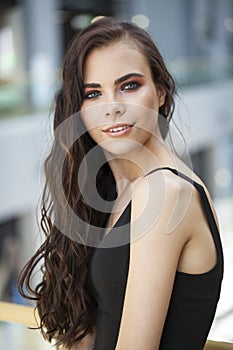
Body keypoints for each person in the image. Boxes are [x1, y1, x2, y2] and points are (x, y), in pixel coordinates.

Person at [18, 17, 224, 350]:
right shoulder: (114, 192)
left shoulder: (165, 192)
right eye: (93, 93)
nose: (112, 107)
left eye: (129, 85)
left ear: (160, 91)